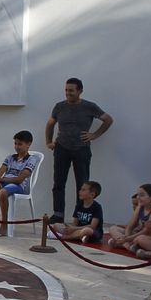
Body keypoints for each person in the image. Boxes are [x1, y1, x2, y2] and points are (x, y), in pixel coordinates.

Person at [45, 79, 113, 220]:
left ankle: (80, 216)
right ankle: (58, 214)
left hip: (81, 149)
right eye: (66, 90)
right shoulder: (59, 106)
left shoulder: (90, 106)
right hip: (61, 148)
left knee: (82, 184)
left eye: (71, 90)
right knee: (58, 183)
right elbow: (50, 124)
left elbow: (108, 119)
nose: (68, 93)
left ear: (80, 91)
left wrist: (94, 135)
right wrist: (49, 142)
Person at [103, 183, 151, 252]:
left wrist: (126, 239)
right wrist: (126, 236)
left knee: (140, 239)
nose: (138, 197)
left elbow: (146, 231)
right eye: (138, 195)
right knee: (113, 228)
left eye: (142, 195)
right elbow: (130, 226)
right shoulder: (140, 207)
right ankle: (129, 247)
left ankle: (127, 245)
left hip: (148, 236)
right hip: (138, 234)